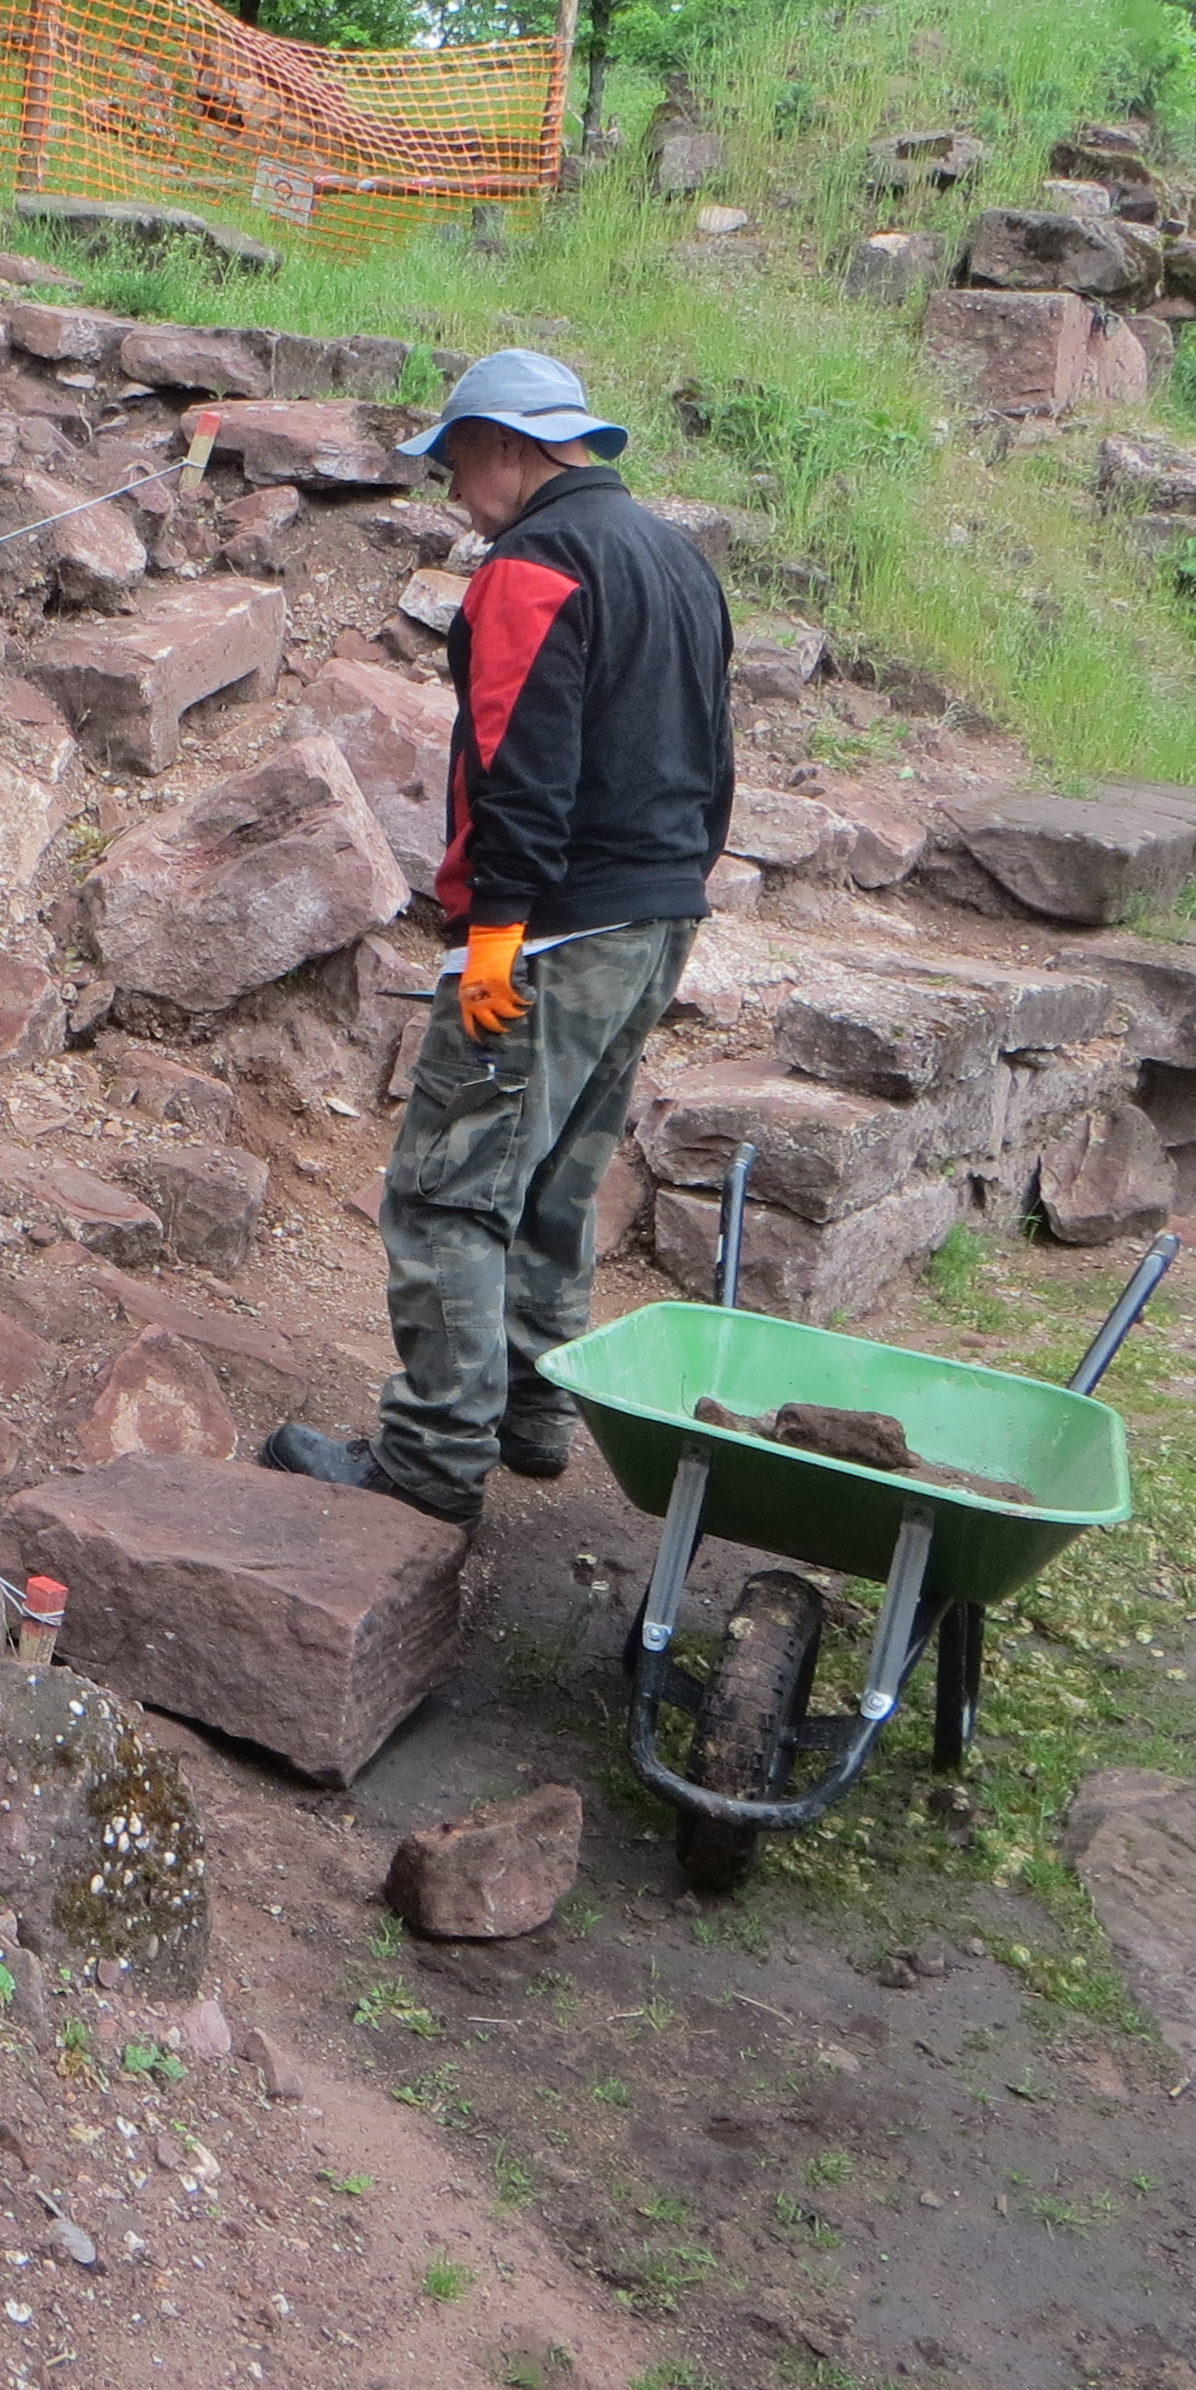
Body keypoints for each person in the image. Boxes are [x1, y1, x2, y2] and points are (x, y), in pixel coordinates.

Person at [264, 348, 734, 1526]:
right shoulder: (676, 559)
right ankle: (531, 1415)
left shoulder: (534, 564)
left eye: (456, 460)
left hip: (550, 935)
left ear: (510, 446)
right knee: (557, 1180)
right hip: (656, 916)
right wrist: (670, 887)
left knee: (448, 1194)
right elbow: (714, 754)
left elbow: (521, 757)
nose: (452, 490)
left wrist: (495, 932)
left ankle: (430, 1459)